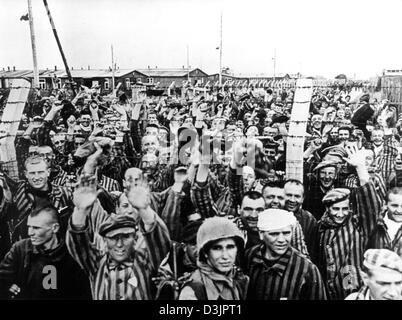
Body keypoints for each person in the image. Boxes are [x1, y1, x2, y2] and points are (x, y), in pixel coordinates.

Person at [66, 175, 171, 300]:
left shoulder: (143, 260)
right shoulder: (97, 262)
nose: (120, 244)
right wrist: (80, 211)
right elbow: (77, 243)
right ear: (105, 240)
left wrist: (145, 210)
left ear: (134, 237)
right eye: (113, 238)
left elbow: (161, 243)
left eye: (126, 237)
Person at [0, 205, 91, 299]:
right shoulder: (20, 249)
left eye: (36, 228)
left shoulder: (73, 254)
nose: (30, 233)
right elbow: (2, 278)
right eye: (29, 227)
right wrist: (7, 287)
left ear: (55, 228)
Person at [244, 208, 327, 300]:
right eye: (274, 234)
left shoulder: (306, 269)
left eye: (286, 233)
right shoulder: (249, 257)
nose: (281, 240)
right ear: (261, 234)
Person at [178, 217, 249, 300]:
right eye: (217, 248)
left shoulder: (239, 280)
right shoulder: (194, 290)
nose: (225, 256)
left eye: (230, 247)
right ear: (205, 253)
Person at [154, 219, 203, 300]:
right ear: (184, 247)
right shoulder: (169, 262)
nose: (199, 249)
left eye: (202, 243)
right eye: (194, 244)